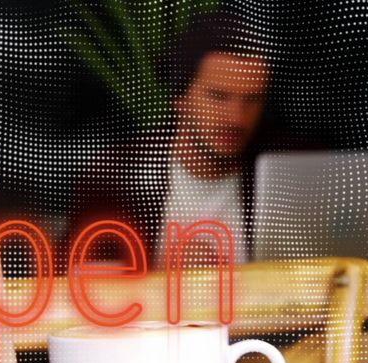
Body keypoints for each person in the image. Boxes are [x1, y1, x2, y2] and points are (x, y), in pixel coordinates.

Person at [65, 13, 314, 270]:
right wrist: (160, 272)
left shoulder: (296, 167)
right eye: (218, 97)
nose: (236, 119)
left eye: (252, 100)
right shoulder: (115, 174)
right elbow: (76, 284)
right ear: (179, 97)